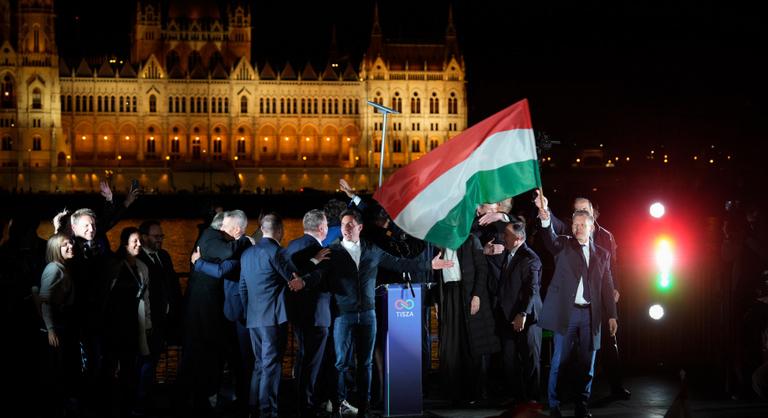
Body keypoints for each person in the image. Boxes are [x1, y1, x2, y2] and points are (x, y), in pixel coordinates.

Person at [296, 209, 454, 418]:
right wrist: (304, 281)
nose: (346, 228)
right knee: (341, 363)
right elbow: (318, 275)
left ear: (360, 228)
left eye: (351, 224)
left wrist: (428, 264)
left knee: (366, 363)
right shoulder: (332, 252)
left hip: (369, 315)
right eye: (344, 225)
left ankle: (365, 407)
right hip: (343, 315)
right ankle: (338, 405)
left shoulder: (372, 250)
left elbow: (399, 263)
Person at [535, 191, 618, 418]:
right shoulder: (563, 245)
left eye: (583, 224)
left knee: (586, 363)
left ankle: (582, 404)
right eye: (575, 224)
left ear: (592, 227)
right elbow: (549, 238)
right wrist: (544, 216)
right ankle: (554, 404)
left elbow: (607, 286)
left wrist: (612, 315)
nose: (578, 228)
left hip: (590, 315)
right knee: (559, 361)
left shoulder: (602, 254)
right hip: (567, 314)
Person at [549, 197, 630, 399]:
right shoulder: (567, 239)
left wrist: (613, 304)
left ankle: (609, 390)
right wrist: (545, 211)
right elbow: (550, 234)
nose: (580, 215)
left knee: (599, 352)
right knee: (565, 357)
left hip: (597, 304)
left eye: (584, 211)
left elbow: (611, 269)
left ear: (592, 214)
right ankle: (560, 399)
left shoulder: (605, 238)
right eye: (576, 212)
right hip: (571, 307)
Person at [238, 214, 313, 418]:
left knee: (260, 364)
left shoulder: (246, 254)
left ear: (262, 229)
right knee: (271, 365)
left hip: (254, 317)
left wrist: (249, 312)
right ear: (280, 230)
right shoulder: (277, 252)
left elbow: (242, 288)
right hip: (273, 317)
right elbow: (293, 279)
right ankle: (267, 410)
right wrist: (314, 261)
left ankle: (253, 407)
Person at [181, 210, 252, 412]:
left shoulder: (226, 242)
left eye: (225, 227)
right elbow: (224, 263)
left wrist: (199, 262)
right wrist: (245, 240)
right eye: (221, 226)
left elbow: (224, 267)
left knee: (229, 356)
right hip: (210, 310)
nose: (221, 230)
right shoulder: (212, 236)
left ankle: (228, 396)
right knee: (205, 354)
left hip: (228, 311)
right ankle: (200, 397)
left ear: (235, 229)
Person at [435, 232, 500, 406]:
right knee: (451, 344)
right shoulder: (439, 241)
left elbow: (482, 268)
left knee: (471, 345)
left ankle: (475, 392)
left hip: (467, 294)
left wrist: (477, 295)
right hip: (449, 294)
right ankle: (454, 392)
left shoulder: (471, 240)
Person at [283, 209, 334, 417]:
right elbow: (323, 278)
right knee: (313, 362)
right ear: (322, 228)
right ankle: (307, 403)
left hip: (296, 312)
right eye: (327, 226)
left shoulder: (292, 246)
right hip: (317, 314)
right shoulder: (320, 251)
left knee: (303, 358)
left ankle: (300, 400)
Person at [489, 222, 543, 406]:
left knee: (530, 359)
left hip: (526, 318)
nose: (504, 238)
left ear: (519, 239)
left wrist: (523, 313)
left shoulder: (530, 258)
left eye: (507, 235)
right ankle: (517, 397)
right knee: (509, 359)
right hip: (507, 316)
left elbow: (532, 288)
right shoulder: (508, 254)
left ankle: (533, 398)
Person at [103, 227, 152, 416]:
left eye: (140, 240)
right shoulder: (115, 266)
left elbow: (145, 297)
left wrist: (148, 322)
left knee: (130, 367)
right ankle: (115, 405)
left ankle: (128, 405)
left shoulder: (142, 266)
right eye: (135, 241)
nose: (139, 244)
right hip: (116, 324)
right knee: (114, 366)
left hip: (134, 324)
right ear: (125, 244)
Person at [38, 233, 79, 417]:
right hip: (56, 325)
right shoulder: (54, 269)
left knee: (63, 366)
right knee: (57, 367)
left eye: (71, 244)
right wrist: (51, 329)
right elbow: (44, 300)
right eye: (65, 245)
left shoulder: (64, 267)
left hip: (63, 323)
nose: (71, 247)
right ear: (56, 249)